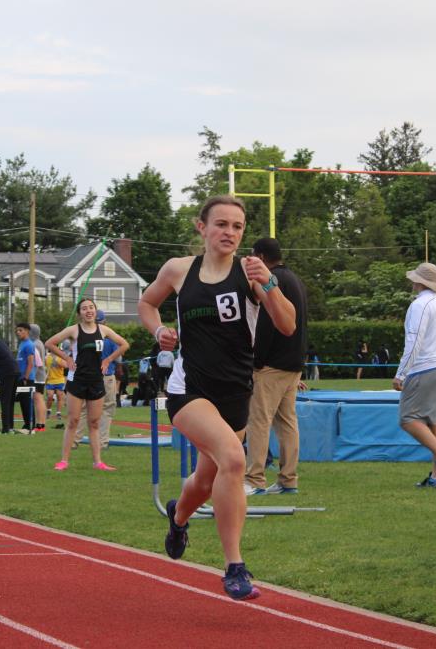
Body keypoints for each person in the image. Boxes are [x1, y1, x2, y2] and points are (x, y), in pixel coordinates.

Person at [138, 194, 297, 601]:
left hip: (235, 394)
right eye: (221, 224)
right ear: (202, 227)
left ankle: (178, 517)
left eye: (237, 227)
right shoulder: (178, 269)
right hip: (189, 390)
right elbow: (147, 303)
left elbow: (287, 325)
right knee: (234, 460)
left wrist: (270, 284)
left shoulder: (250, 273)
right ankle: (234, 567)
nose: (229, 232)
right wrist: (159, 331)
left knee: (206, 480)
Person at [242, 237, 308, 496]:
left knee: (258, 421)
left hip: (271, 364)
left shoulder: (272, 281)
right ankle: (288, 480)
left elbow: (267, 325)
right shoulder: (295, 280)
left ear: (260, 257)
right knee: (287, 423)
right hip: (293, 363)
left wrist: (257, 361)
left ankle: (254, 479)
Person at [392, 262, 436, 489]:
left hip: (426, 368)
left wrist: (401, 373)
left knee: (408, 418)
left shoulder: (419, 305)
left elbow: (414, 341)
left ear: (419, 282)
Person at [46, 299, 129, 470]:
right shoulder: (73, 330)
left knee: (94, 423)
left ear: (95, 311)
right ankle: (64, 461)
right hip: (77, 380)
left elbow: (124, 344)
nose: (88, 311)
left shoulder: (103, 330)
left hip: (96, 381)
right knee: (73, 421)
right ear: (79, 314)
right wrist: (67, 358)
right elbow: (49, 343)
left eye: (91, 308)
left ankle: (98, 462)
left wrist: (108, 360)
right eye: (84, 309)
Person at [74, 310, 120, 450]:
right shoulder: (110, 338)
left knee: (82, 408)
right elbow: (119, 358)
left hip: (86, 376)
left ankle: (74, 440)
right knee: (107, 409)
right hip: (106, 376)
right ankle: (102, 442)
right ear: (104, 322)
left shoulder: (84, 336)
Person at [15, 323, 37, 433]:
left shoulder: (29, 344)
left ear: (27, 331)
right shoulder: (21, 344)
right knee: (23, 402)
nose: (18, 332)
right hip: (20, 377)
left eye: (20, 330)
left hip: (27, 378)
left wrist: (25, 378)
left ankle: (30, 425)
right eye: (17, 330)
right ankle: (26, 424)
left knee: (27, 402)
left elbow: (30, 363)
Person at [30, 324, 48, 432]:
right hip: (40, 375)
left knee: (38, 399)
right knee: (39, 399)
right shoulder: (39, 342)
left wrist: (31, 376)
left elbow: (36, 362)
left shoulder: (35, 344)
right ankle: (41, 423)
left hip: (37, 376)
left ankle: (40, 424)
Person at [45, 343, 68, 427]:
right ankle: (48, 410)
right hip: (50, 380)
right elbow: (44, 366)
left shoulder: (60, 357)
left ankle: (58, 413)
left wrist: (58, 359)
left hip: (59, 380)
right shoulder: (47, 357)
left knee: (59, 396)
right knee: (50, 396)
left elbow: (65, 365)